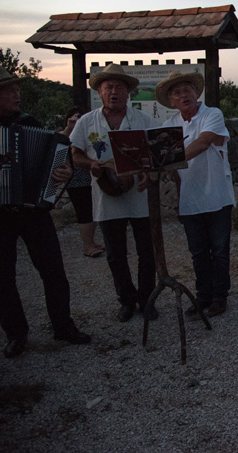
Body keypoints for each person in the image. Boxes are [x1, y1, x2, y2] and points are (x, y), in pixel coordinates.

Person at [0, 65, 91, 358]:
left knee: (53, 270)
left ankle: (63, 326)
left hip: (32, 211)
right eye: (10, 90)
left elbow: (54, 159)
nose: (18, 94)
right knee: (2, 277)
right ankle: (15, 334)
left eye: (17, 89)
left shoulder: (28, 121)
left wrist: (62, 172)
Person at [70, 64, 158, 323]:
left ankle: (147, 300)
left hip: (139, 195)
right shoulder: (87, 122)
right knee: (115, 253)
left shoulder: (144, 120)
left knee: (147, 251)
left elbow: (156, 153)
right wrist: (92, 164)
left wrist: (146, 172)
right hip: (105, 194)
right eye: (108, 87)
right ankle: (126, 301)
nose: (114, 91)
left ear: (129, 91)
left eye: (119, 86)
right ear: (99, 91)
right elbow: (75, 155)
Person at [156, 72, 235, 318]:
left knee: (220, 249)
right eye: (177, 93)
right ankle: (203, 296)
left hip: (217, 194)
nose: (183, 95)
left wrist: (168, 159)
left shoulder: (212, 115)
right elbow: (174, 172)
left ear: (196, 93)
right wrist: (179, 198)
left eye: (187, 90)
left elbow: (203, 143)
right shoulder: (168, 126)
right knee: (198, 252)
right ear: (171, 102)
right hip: (190, 197)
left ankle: (220, 296)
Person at [61, 106, 105, 258]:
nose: (77, 119)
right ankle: (87, 246)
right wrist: (69, 127)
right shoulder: (64, 134)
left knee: (92, 212)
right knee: (84, 212)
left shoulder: (87, 132)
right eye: (73, 117)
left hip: (90, 178)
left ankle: (91, 242)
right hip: (76, 180)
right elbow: (62, 141)